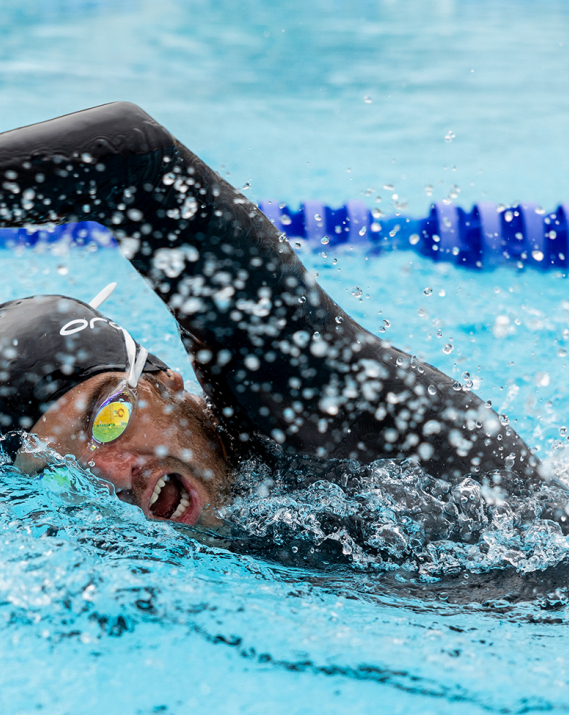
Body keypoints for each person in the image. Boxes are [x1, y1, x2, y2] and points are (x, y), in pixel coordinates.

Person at [0, 102, 545, 530]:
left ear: (165, 382)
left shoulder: (310, 411)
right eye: (59, 471)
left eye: (107, 419)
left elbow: (131, 160)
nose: (113, 474)